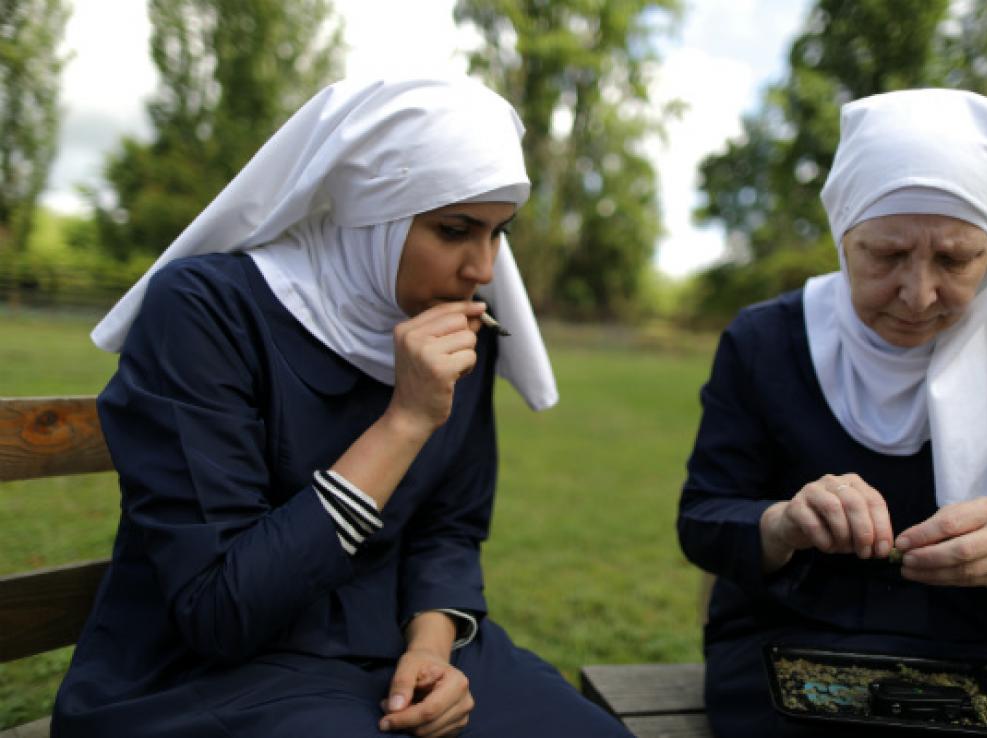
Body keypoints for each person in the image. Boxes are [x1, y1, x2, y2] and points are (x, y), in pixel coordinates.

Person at [52, 76, 632, 738]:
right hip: (210, 674)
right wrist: (405, 422)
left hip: (391, 641)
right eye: (455, 230)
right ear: (373, 214)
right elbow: (219, 609)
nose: (483, 268)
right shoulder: (206, 311)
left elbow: (449, 528)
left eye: (500, 232)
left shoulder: (461, 328)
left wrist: (431, 650)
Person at [676, 88, 987, 737]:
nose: (918, 293)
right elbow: (704, 518)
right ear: (843, 234)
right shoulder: (765, 343)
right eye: (886, 255)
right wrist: (784, 523)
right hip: (794, 642)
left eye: (956, 259)